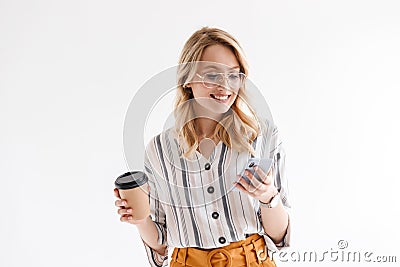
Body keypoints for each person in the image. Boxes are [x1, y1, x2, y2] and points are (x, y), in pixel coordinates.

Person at [114, 26, 291, 267]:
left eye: (233, 75)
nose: (225, 86)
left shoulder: (263, 137)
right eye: (212, 75)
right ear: (187, 79)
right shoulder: (159, 150)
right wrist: (140, 219)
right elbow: (161, 245)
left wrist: (268, 196)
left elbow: (279, 237)